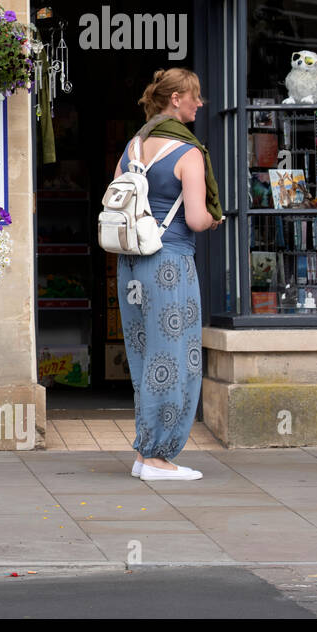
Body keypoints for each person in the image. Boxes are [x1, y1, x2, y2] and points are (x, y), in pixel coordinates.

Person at [114, 68, 220, 481]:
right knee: (175, 358)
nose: (199, 103)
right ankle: (159, 457)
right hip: (169, 263)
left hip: (131, 264)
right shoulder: (188, 153)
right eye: (194, 96)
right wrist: (214, 219)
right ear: (175, 99)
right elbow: (195, 218)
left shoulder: (132, 148)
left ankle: (145, 453)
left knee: (144, 358)